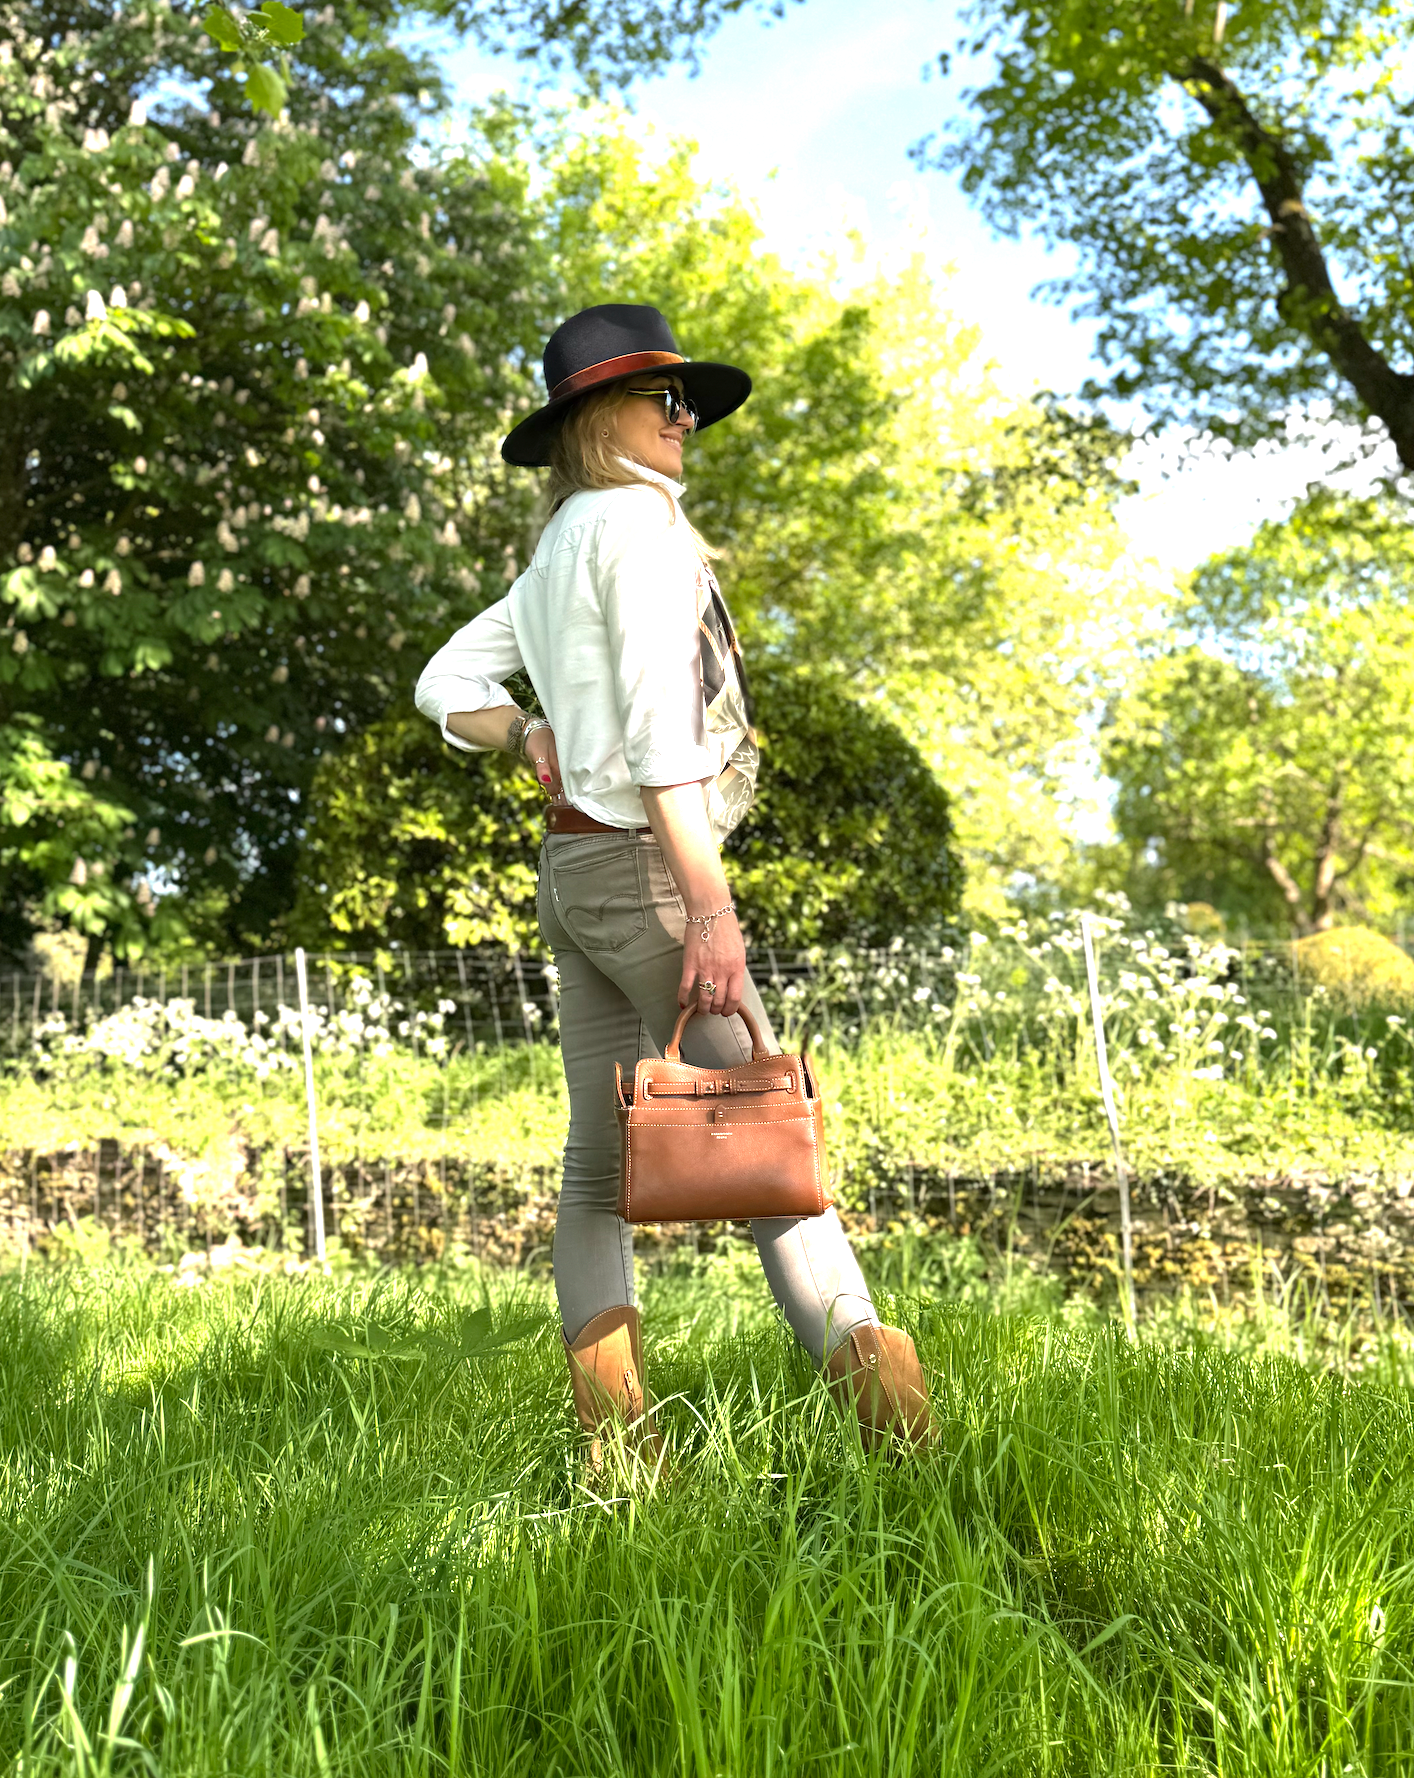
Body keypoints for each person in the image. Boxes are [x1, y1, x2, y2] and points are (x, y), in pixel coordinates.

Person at [415, 304, 930, 1455]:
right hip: (646, 870)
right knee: (765, 1147)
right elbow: (660, 736)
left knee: (599, 1166)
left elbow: (443, 678)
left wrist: (528, 738)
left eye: (687, 401)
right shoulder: (638, 535)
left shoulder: (559, 549)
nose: (686, 418)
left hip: (574, 867)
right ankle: (907, 1444)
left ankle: (618, 1448)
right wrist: (711, 909)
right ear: (601, 417)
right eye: (667, 399)